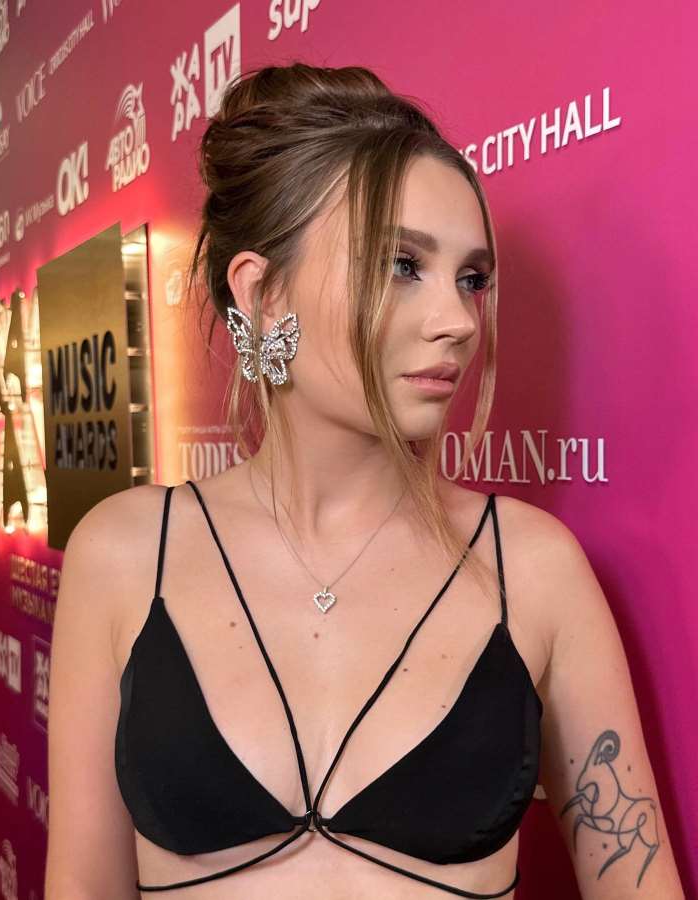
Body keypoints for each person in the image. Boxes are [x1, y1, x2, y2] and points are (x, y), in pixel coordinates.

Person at [44, 63, 685, 899]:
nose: (458, 321)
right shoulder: (127, 555)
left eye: (472, 278)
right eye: (401, 265)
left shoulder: (534, 570)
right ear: (262, 294)